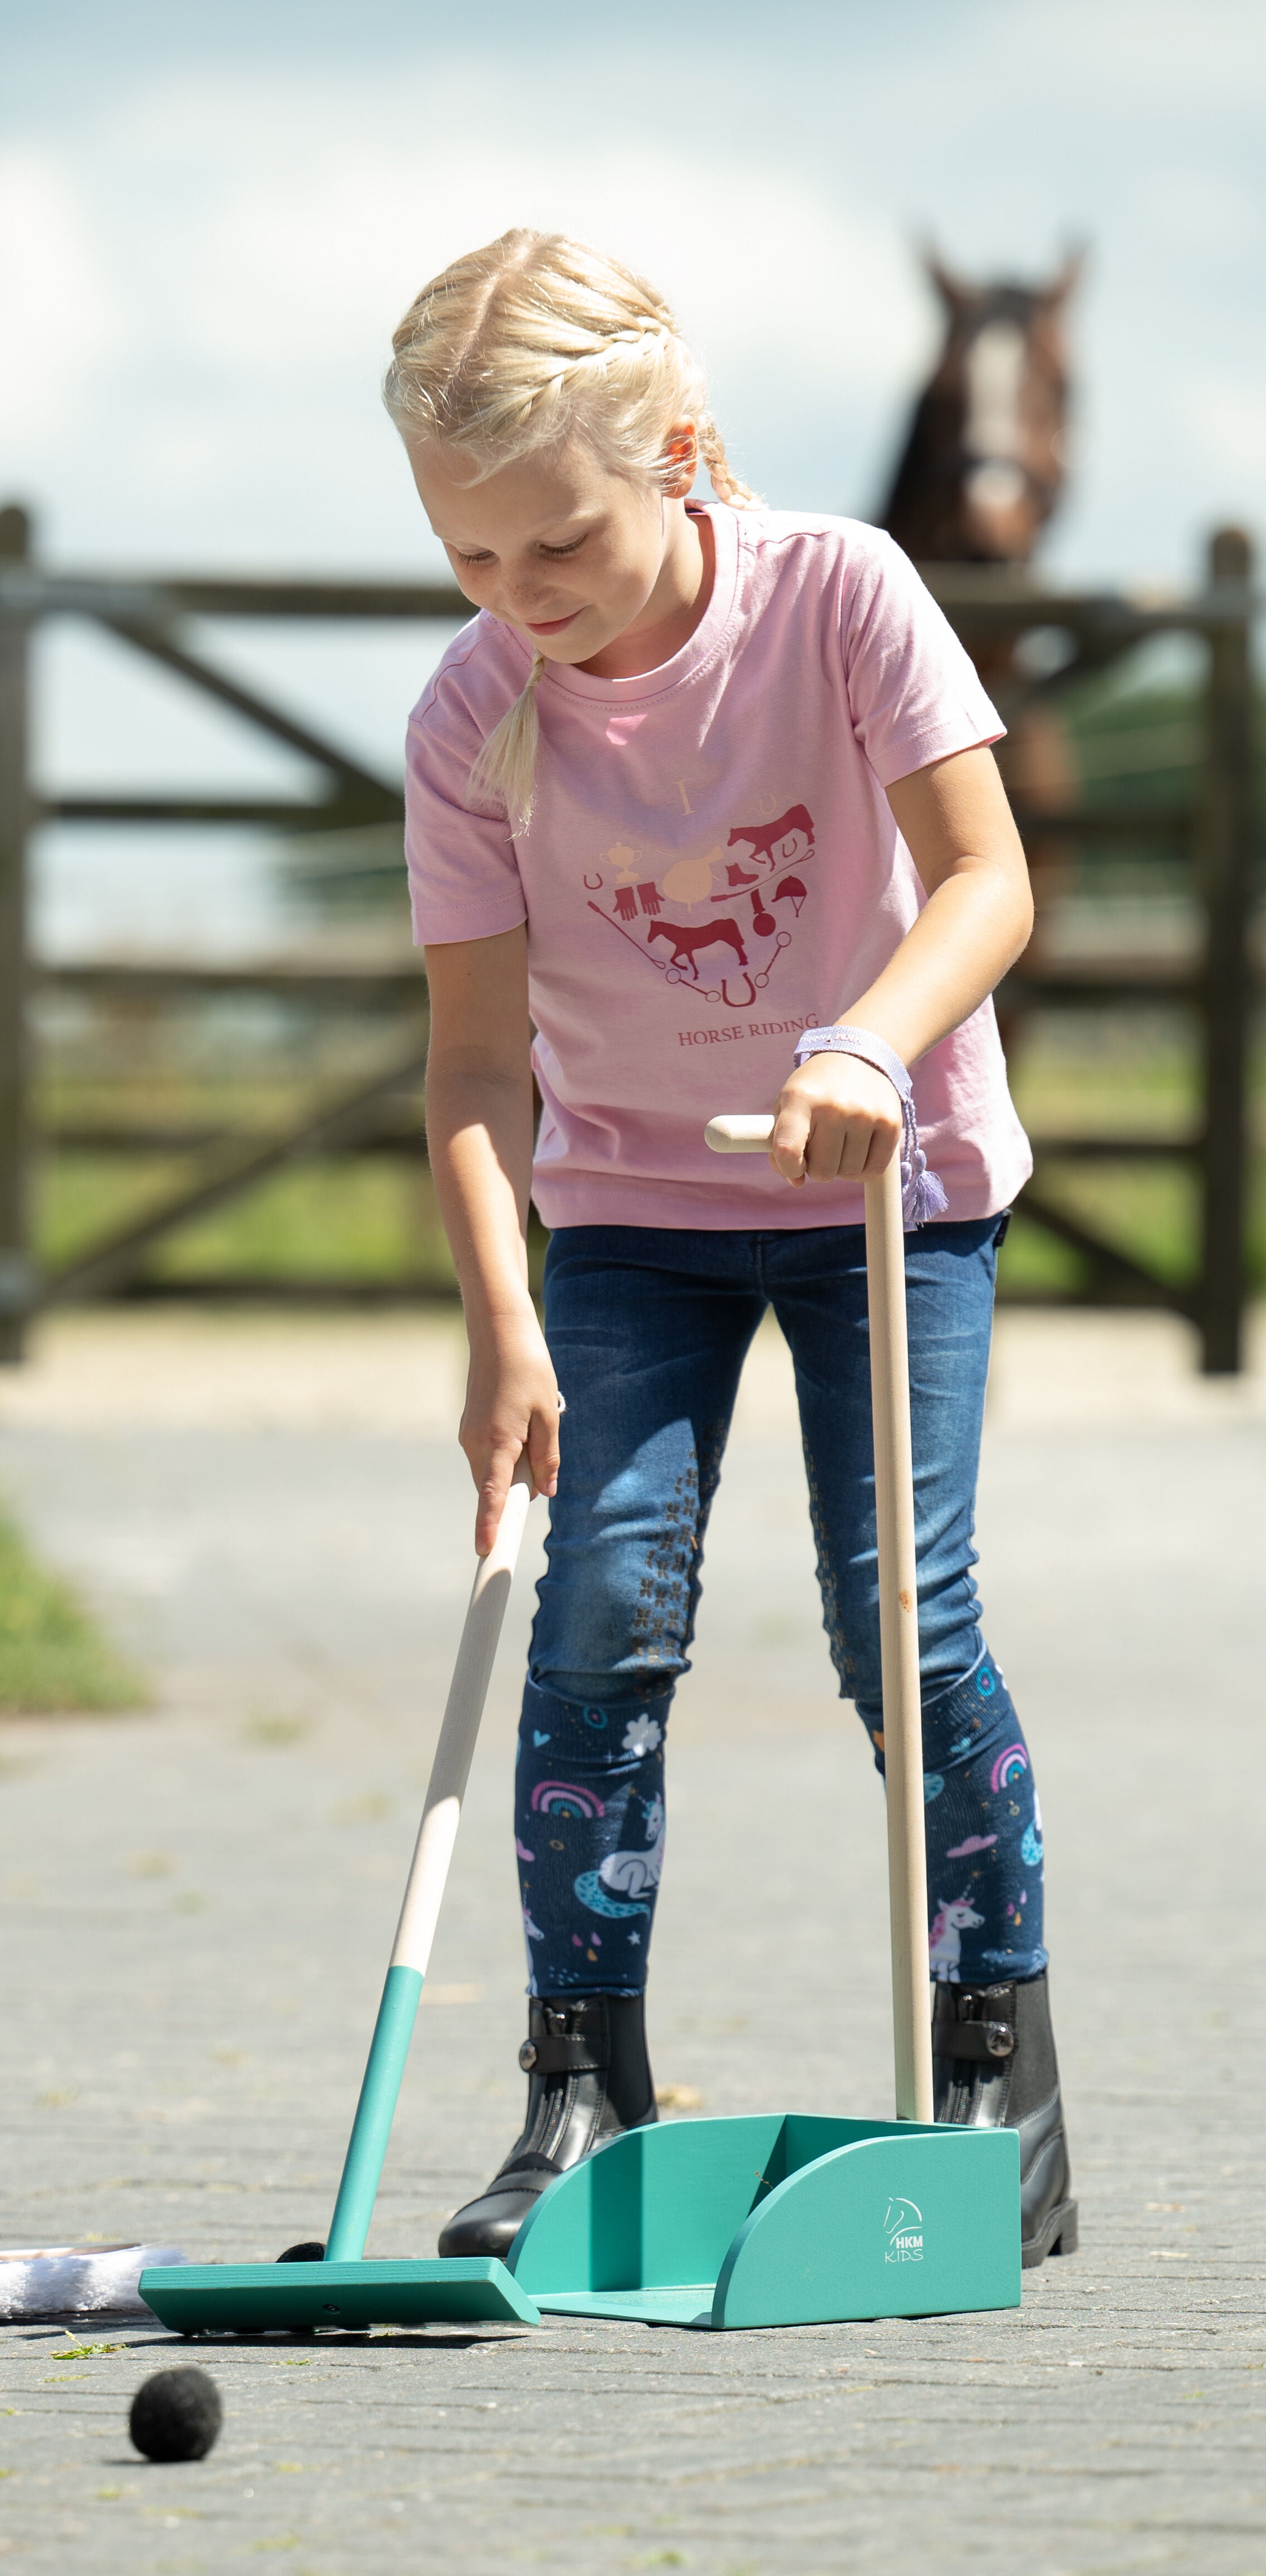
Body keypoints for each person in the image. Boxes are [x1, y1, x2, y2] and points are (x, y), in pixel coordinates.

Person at [385, 230, 1076, 2268]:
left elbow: (986, 875)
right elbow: (470, 1061)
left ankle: (990, 2064)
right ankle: (582, 2080)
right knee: (596, 1612)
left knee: (902, 1619)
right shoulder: (472, 720)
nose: (523, 603)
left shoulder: (842, 598)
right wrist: (500, 1316)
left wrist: (870, 1035)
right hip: (627, 1212)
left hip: (892, 1186)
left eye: (560, 547)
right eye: (471, 560)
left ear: (678, 454)